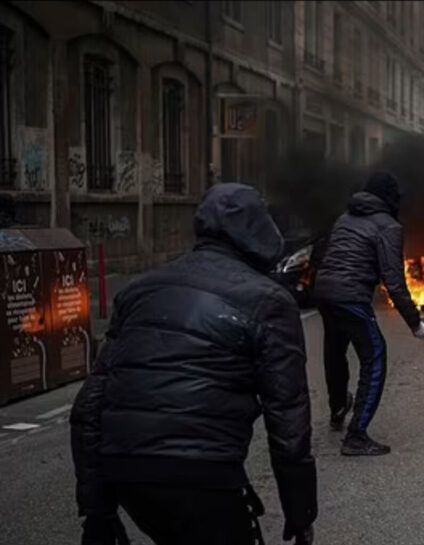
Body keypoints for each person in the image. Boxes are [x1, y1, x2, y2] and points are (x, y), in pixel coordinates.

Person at [71, 184, 316, 545]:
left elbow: (89, 405)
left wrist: (96, 510)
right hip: (203, 475)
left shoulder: (140, 290)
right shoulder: (270, 302)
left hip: (125, 471)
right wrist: (300, 513)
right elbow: (288, 419)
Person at [314, 171, 424, 456]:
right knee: (375, 356)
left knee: (334, 350)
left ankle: (339, 408)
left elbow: (324, 253)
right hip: (351, 297)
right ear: (390, 198)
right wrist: (414, 323)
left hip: (324, 292)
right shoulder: (388, 226)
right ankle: (356, 436)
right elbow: (394, 281)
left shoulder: (345, 217)